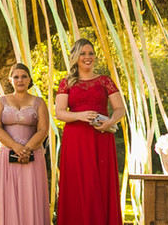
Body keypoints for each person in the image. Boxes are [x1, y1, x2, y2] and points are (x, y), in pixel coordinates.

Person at [54, 38, 127, 225]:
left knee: (99, 184)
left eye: (91, 53)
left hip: (101, 137)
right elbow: (59, 113)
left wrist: (110, 122)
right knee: (78, 184)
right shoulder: (67, 83)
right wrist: (80, 115)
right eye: (83, 54)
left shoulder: (105, 81)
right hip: (76, 140)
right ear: (75, 57)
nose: (88, 57)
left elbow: (120, 109)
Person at [0, 63, 50, 225]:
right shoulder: (1, 101)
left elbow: (43, 129)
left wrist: (26, 149)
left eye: (24, 76)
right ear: (10, 80)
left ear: (29, 79)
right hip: (5, 155)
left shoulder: (39, 102)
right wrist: (16, 147)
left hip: (32, 156)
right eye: (16, 77)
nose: (20, 80)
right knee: (5, 198)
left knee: (30, 196)